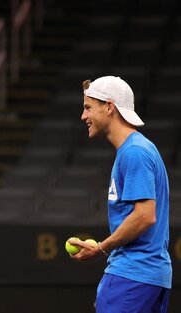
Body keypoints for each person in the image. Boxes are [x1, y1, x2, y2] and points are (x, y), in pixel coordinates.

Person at [68, 76, 172, 313]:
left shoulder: (134, 152)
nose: (84, 116)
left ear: (109, 106)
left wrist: (101, 248)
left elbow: (145, 216)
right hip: (148, 276)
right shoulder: (137, 149)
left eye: (87, 107)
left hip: (132, 275)